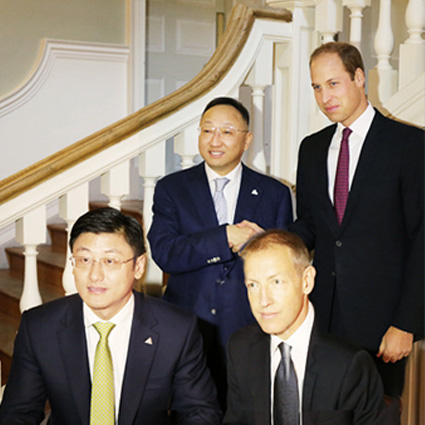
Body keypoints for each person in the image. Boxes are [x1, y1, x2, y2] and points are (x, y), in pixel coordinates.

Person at [290, 42, 424, 422]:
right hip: (322, 321)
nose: (325, 97)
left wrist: (406, 324)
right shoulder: (311, 149)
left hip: (383, 327)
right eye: (317, 87)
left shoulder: (411, 145)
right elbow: (311, 226)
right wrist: (272, 241)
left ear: (360, 77)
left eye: (333, 84)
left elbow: (422, 240)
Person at [0, 207, 221, 425]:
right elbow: (18, 413)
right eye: (84, 260)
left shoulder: (176, 329)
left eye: (110, 261)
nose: (95, 275)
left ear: (138, 266)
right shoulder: (39, 327)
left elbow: (199, 412)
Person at [148, 96, 293, 405]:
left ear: (246, 140)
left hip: (251, 330)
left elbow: (284, 269)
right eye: (207, 130)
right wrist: (225, 236)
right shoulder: (172, 188)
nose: (215, 140)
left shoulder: (274, 193)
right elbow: (165, 252)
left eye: (227, 131)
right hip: (187, 330)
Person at [224, 229, 384, 425]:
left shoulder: (350, 362)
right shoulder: (240, 348)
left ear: (307, 281)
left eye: (276, 282)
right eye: (253, 285)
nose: (263, 301)